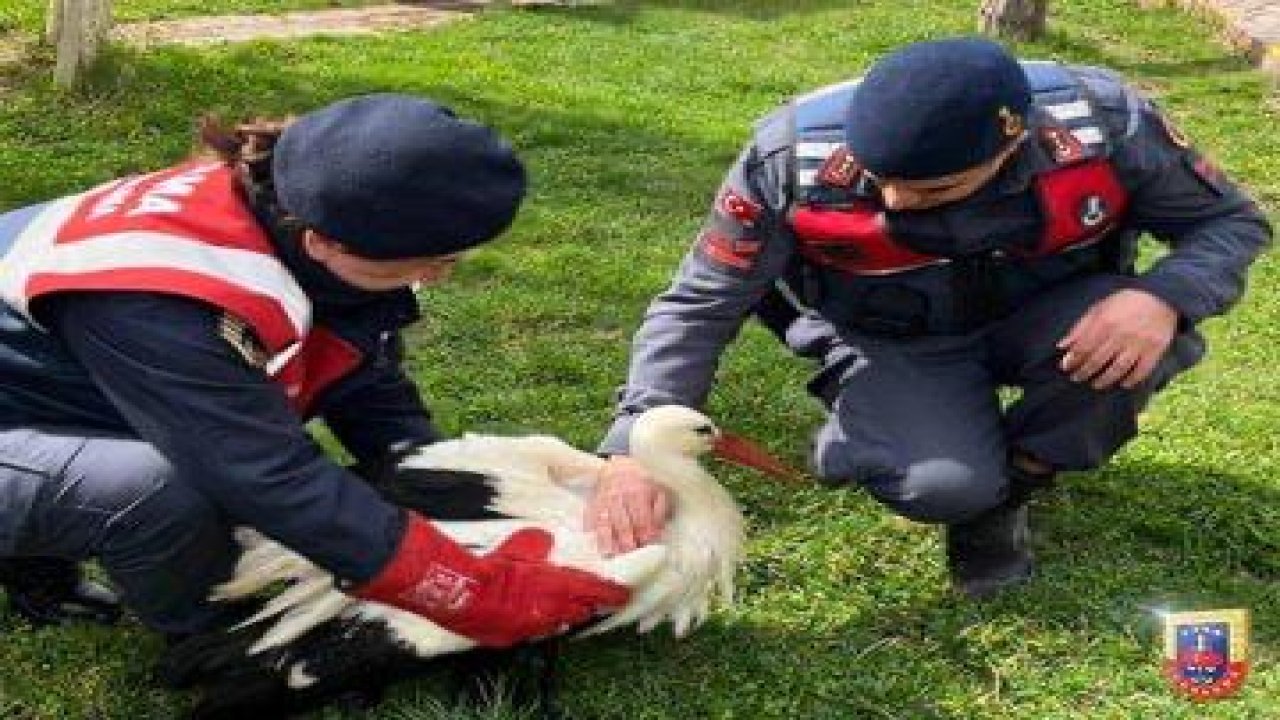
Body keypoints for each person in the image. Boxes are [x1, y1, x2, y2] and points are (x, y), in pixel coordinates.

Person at [591, 37, 1271, 598]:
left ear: (1013, 143)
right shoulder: (787, 157)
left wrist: (1162, 296)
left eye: (932, 188)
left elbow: (1230, 221)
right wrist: (632, 444)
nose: (895, 200)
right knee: (943, 485)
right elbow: (700, 301)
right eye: (880, 177)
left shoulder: (1104, 123)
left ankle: (1017, 486)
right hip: (895, 341)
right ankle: (889, 436)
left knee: (1148, 343)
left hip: (1051, 318)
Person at [0, 93, 629, 642]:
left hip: (35, 391)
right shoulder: (150, 294)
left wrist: (442, 486)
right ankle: (219, 639)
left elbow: (360, 365)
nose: (438, 275)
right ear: (321, 242)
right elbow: (262, 473)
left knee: (198, 451)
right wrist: (466, 592)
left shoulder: (299, 204)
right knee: (164, 492)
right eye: (428, 261)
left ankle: (39, 540)